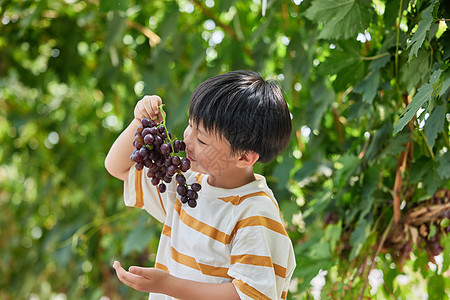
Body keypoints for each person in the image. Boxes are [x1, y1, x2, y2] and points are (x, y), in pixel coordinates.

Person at [105, 70, 296, 300]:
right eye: (190, 125)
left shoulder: (255, 214)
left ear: (244, 158)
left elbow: (251, 295)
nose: (187, 140)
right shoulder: (188, 185)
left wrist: (169, 286)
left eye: (202, 139)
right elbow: (118, 167)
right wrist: (140, 122)